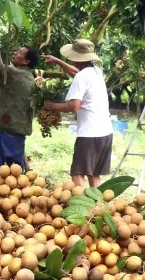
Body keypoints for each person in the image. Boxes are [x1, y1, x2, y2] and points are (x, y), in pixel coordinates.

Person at [42, 39, 113, 188]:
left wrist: (51, 105)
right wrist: (58, 62)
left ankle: (85, 207)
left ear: (75, 58)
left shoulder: (82, 77)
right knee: (94, 174)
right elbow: (76, 72)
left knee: (77, 173)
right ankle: (98, 207)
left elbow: (73, 105)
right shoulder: (96, 72)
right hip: (105, 132)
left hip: (89, 134)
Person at [0, 24, 39, 169]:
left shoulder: (12, 74)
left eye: (19, 53)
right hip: (18, 134)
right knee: (15, 172)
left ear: (26, 61)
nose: (14, 54)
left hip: (3, 131)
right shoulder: (30, 79)